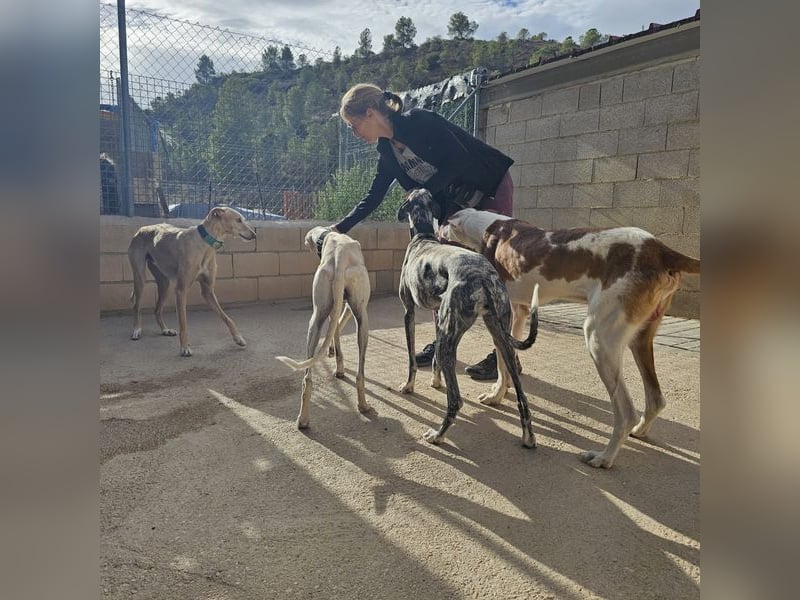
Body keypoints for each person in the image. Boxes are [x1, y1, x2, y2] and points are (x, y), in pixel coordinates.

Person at [331, 83, 519, 381]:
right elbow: (374, 196)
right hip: (451, 203)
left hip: (488, 187)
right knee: (438, 273)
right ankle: (443, 340)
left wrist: (422, 192)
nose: (354, 133)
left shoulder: (421, 121)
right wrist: (337, 228)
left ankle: (503, 353)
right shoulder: (386, 151)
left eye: (354, 125)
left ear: (370, 113)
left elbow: (460, 160)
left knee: (494, 266)